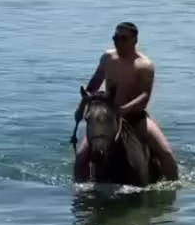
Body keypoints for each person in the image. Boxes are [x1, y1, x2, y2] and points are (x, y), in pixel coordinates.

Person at [74, 21, 178, 182]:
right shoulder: (107, 58)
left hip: (135, 118)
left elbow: (144, 96)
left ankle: (173, 187)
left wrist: (123, 110)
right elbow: (93, 85)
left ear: (134, 40)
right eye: (115, 38)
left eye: (123, 39)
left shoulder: (145, 65)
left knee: (166, 154)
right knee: (81, 156)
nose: (118, 42)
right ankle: (81, 190)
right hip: (108, 118)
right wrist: (82, 105)